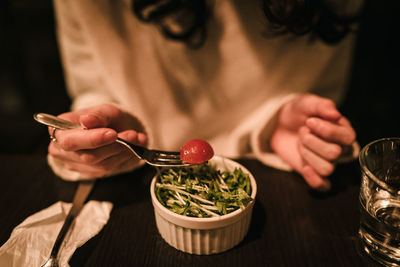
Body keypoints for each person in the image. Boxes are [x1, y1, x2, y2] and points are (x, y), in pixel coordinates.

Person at [48, 0, 363, 191]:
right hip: (135, 184)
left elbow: (322, 87)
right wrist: (101, 128)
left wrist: (276, 124)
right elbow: (92, 85)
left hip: (270, 176)